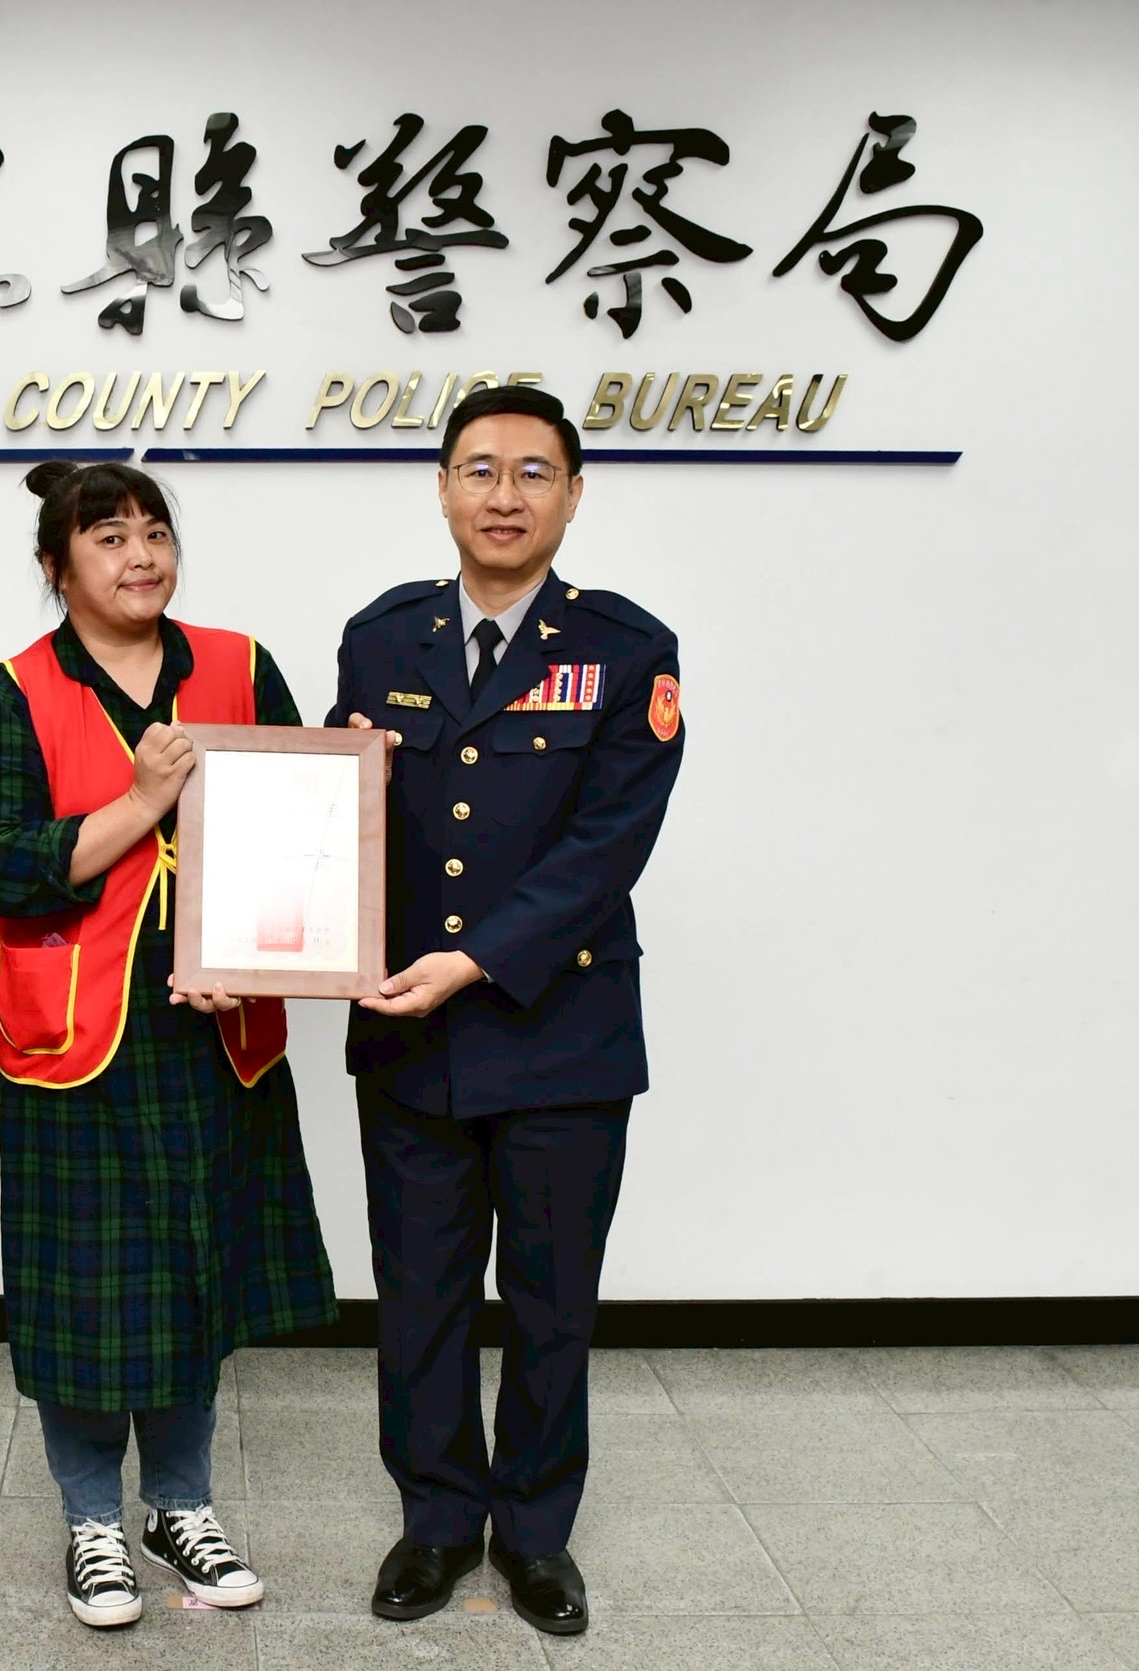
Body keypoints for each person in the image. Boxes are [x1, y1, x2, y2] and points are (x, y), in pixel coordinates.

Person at [0, 460, 338, 1629]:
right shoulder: (15, 691)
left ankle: (179, 1505)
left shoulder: (235, 664)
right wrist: (137, 801)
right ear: (55, 565)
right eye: (108, 536)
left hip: (211, 1033)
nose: (140, 555)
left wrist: (253, 960)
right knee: (82, 1297)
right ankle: (90, 1521)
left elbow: (299, 832)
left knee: (193, 1277)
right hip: (76, 1035)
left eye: (153, 531)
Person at [331, 383, 685, 1635]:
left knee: (548, 1303)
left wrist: (474, 959)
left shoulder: (627, 650)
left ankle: (533, 1535)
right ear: (440, 488)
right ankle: (435, 1523)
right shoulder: (382, 639)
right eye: (478, 469)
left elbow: (605, 847)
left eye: (532, 473)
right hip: (409, 1036)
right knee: (418, 1297)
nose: (503, 495)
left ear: (572, 496)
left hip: (560, 1036)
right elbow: (336, 819)